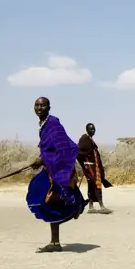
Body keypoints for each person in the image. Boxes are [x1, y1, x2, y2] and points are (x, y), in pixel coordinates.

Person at [26, 97, 87, 253]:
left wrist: (43, 159)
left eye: (42, 105)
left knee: (47, 198)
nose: (39, 108)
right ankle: (55, 242)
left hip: (56, 168)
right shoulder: (44, 125)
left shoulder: (53, 124)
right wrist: (42, 159)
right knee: (43, 197)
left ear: (49, 107)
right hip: (49, 167)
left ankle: (76, 207)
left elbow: (64, 148)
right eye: (37, 105)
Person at [77, 123, 113, 215]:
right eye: (91, 129)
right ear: (87, 129)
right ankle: (101, 206)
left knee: (92, 185)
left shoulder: (90, 139)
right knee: (97, 185)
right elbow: (78, 153)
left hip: (94, 167)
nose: (93, 131)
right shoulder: (84, 139)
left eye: (94, 129)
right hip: (90, 167)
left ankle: (91, 207)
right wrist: (84, 165)